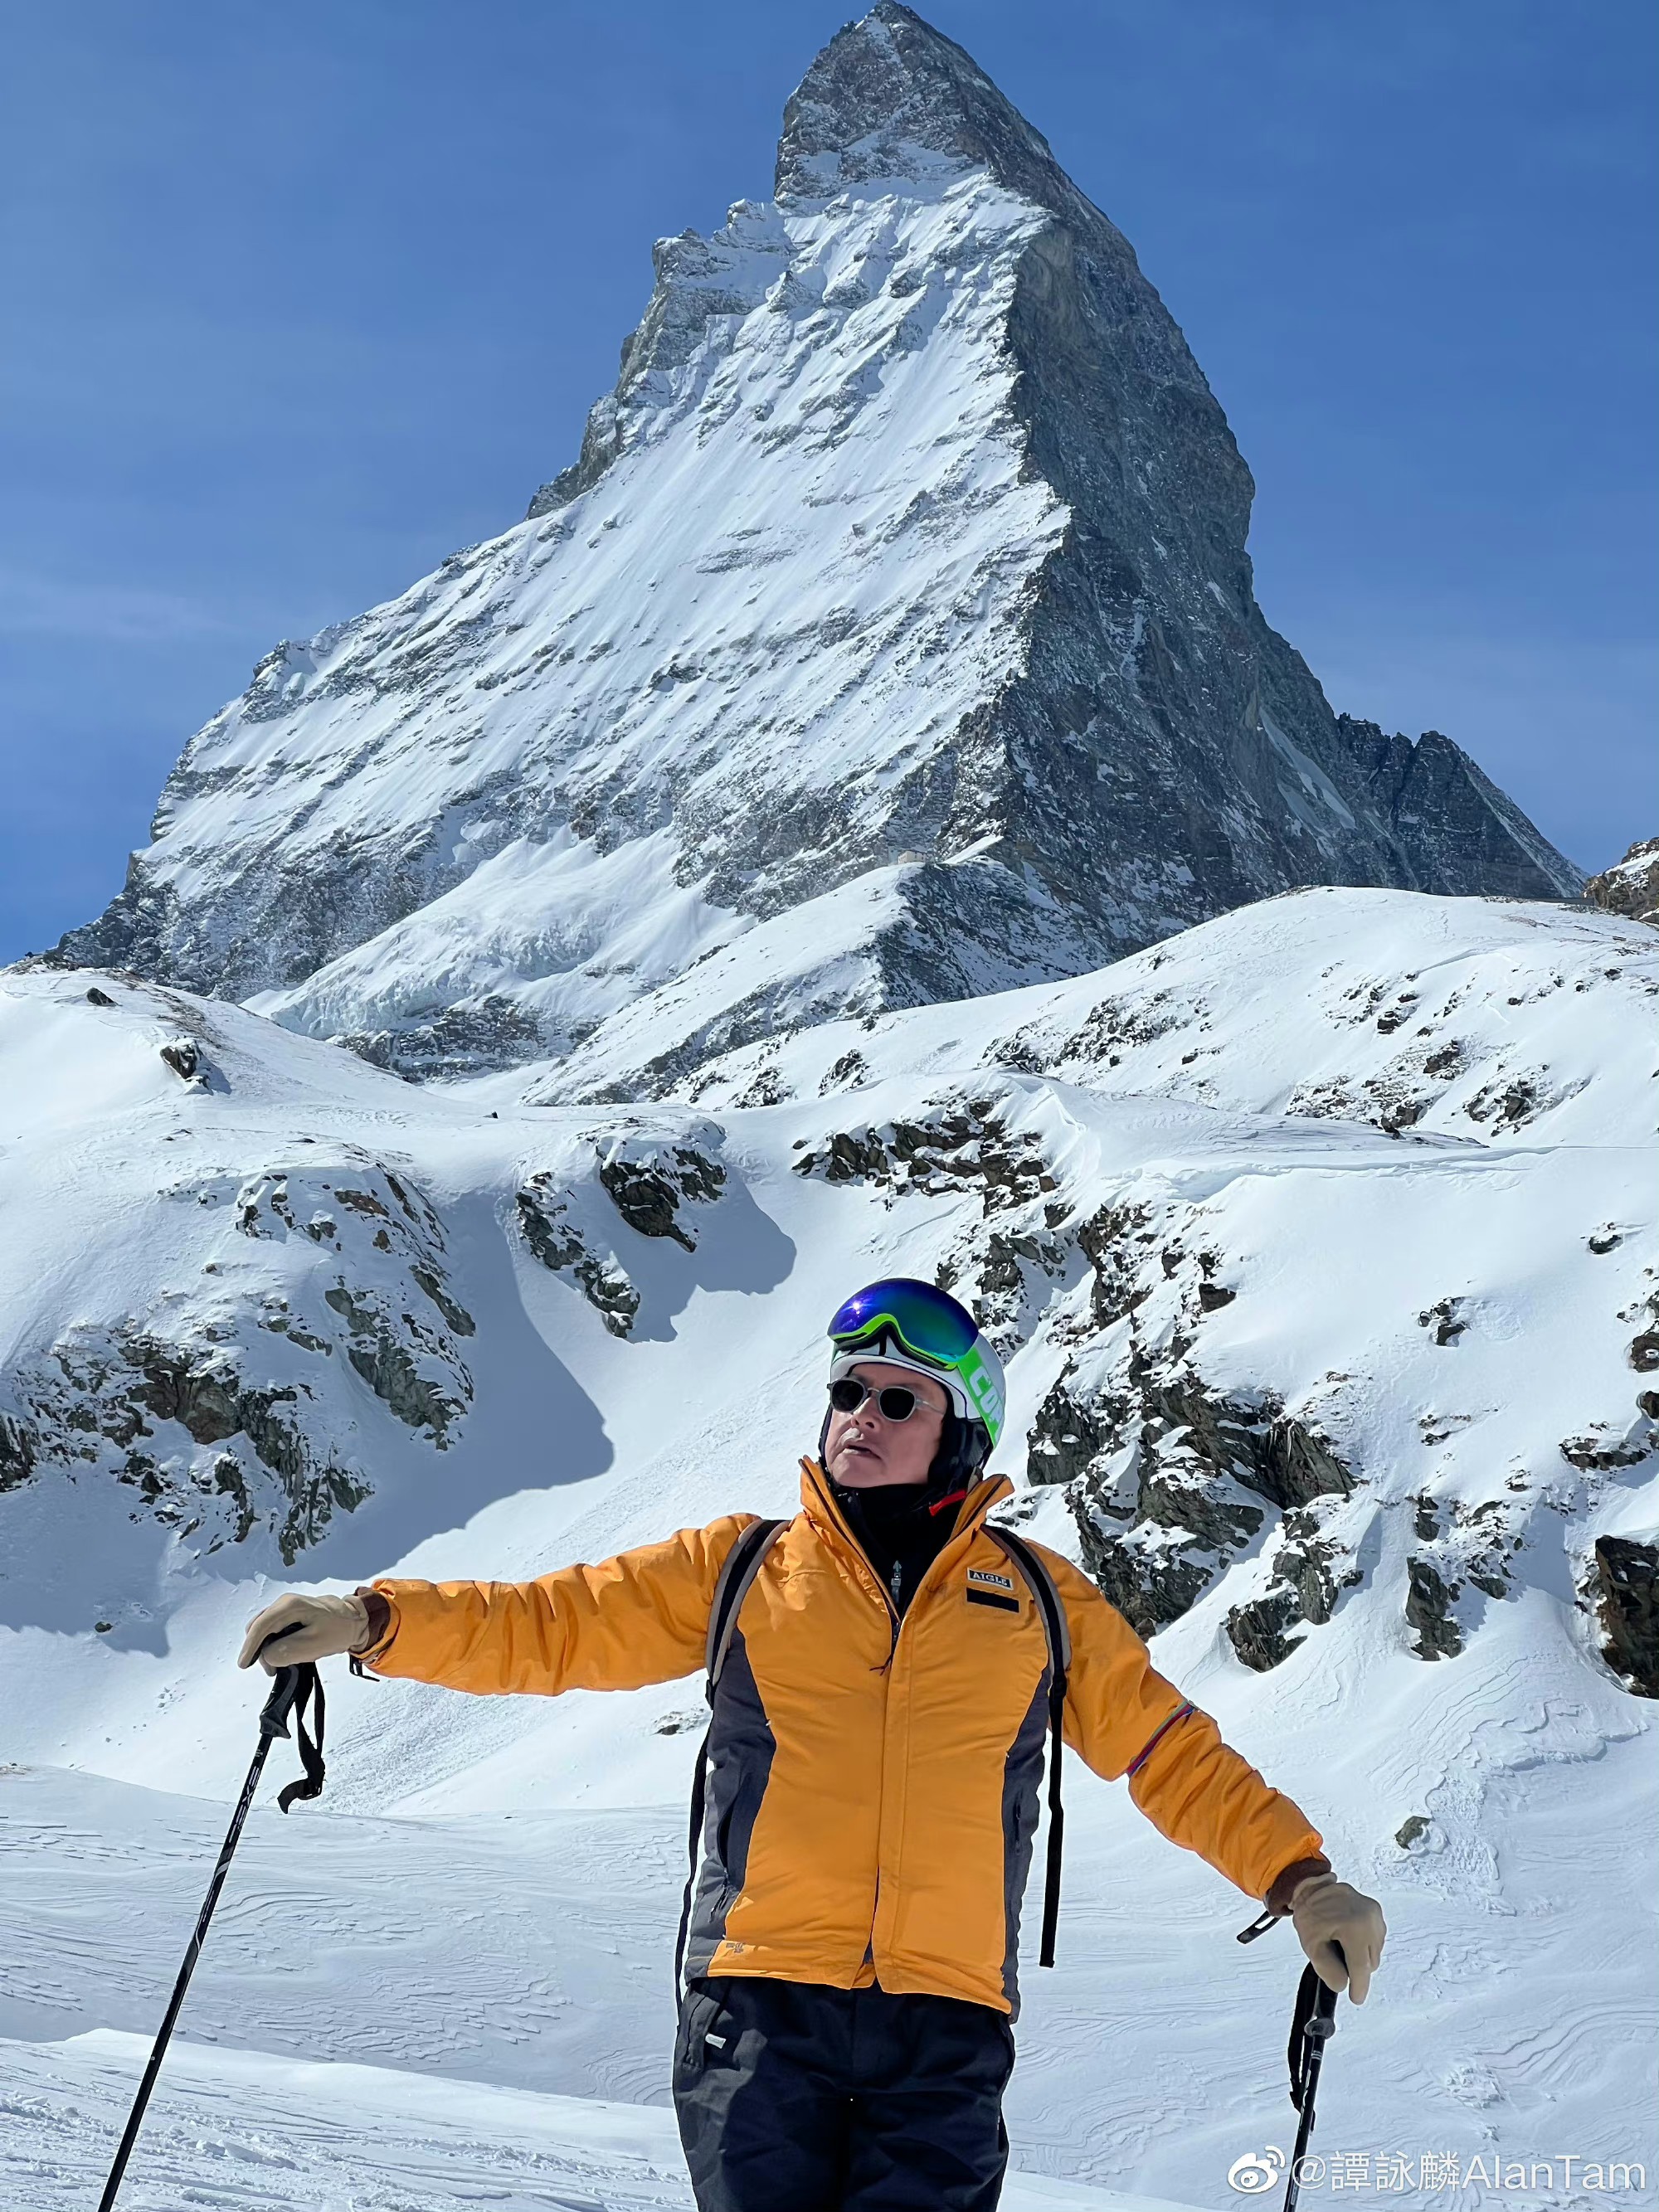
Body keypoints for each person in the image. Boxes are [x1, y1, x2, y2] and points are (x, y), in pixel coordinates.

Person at [241, 1276, 1385, 2211]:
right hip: (757, 2006)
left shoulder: (1038, 1598)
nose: (863, 1417)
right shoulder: (743, 1569)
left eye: (901, 1402)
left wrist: (1301, 1878)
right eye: (850, 1392)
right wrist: (377, 1621)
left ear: (958, 1434)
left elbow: (1166, 1752)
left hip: (944, 2021)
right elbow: (552, 1624)